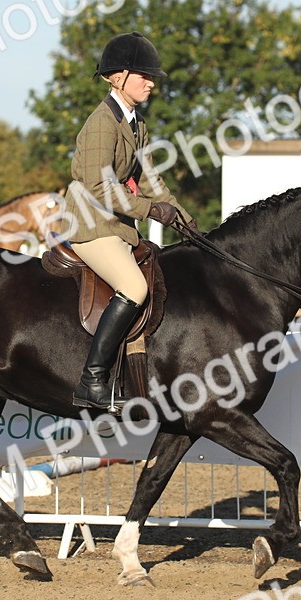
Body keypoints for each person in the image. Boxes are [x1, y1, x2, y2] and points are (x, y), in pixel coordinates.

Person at [62, 31, 195, 410]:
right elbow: (98, 185)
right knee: (135, 288)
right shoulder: (102, 122)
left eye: (152, 77)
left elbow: (152, 181)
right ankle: (92, 379)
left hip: (118, 225)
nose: (151, 82)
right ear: (117, 77)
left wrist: (187, 223)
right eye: (144, 76)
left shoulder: (136, 124)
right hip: (90, 224)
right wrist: (151, 211)